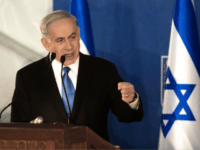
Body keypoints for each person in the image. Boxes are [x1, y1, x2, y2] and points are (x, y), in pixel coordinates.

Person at [11, 10, 143, 141]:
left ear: (79, 34)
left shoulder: (103, 70)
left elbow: (127, 116)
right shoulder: (29, 76)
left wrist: (131, 100)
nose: (69, 47)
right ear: (46, 44)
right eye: (60, 40)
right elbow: (18, 127)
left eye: (72, 37)